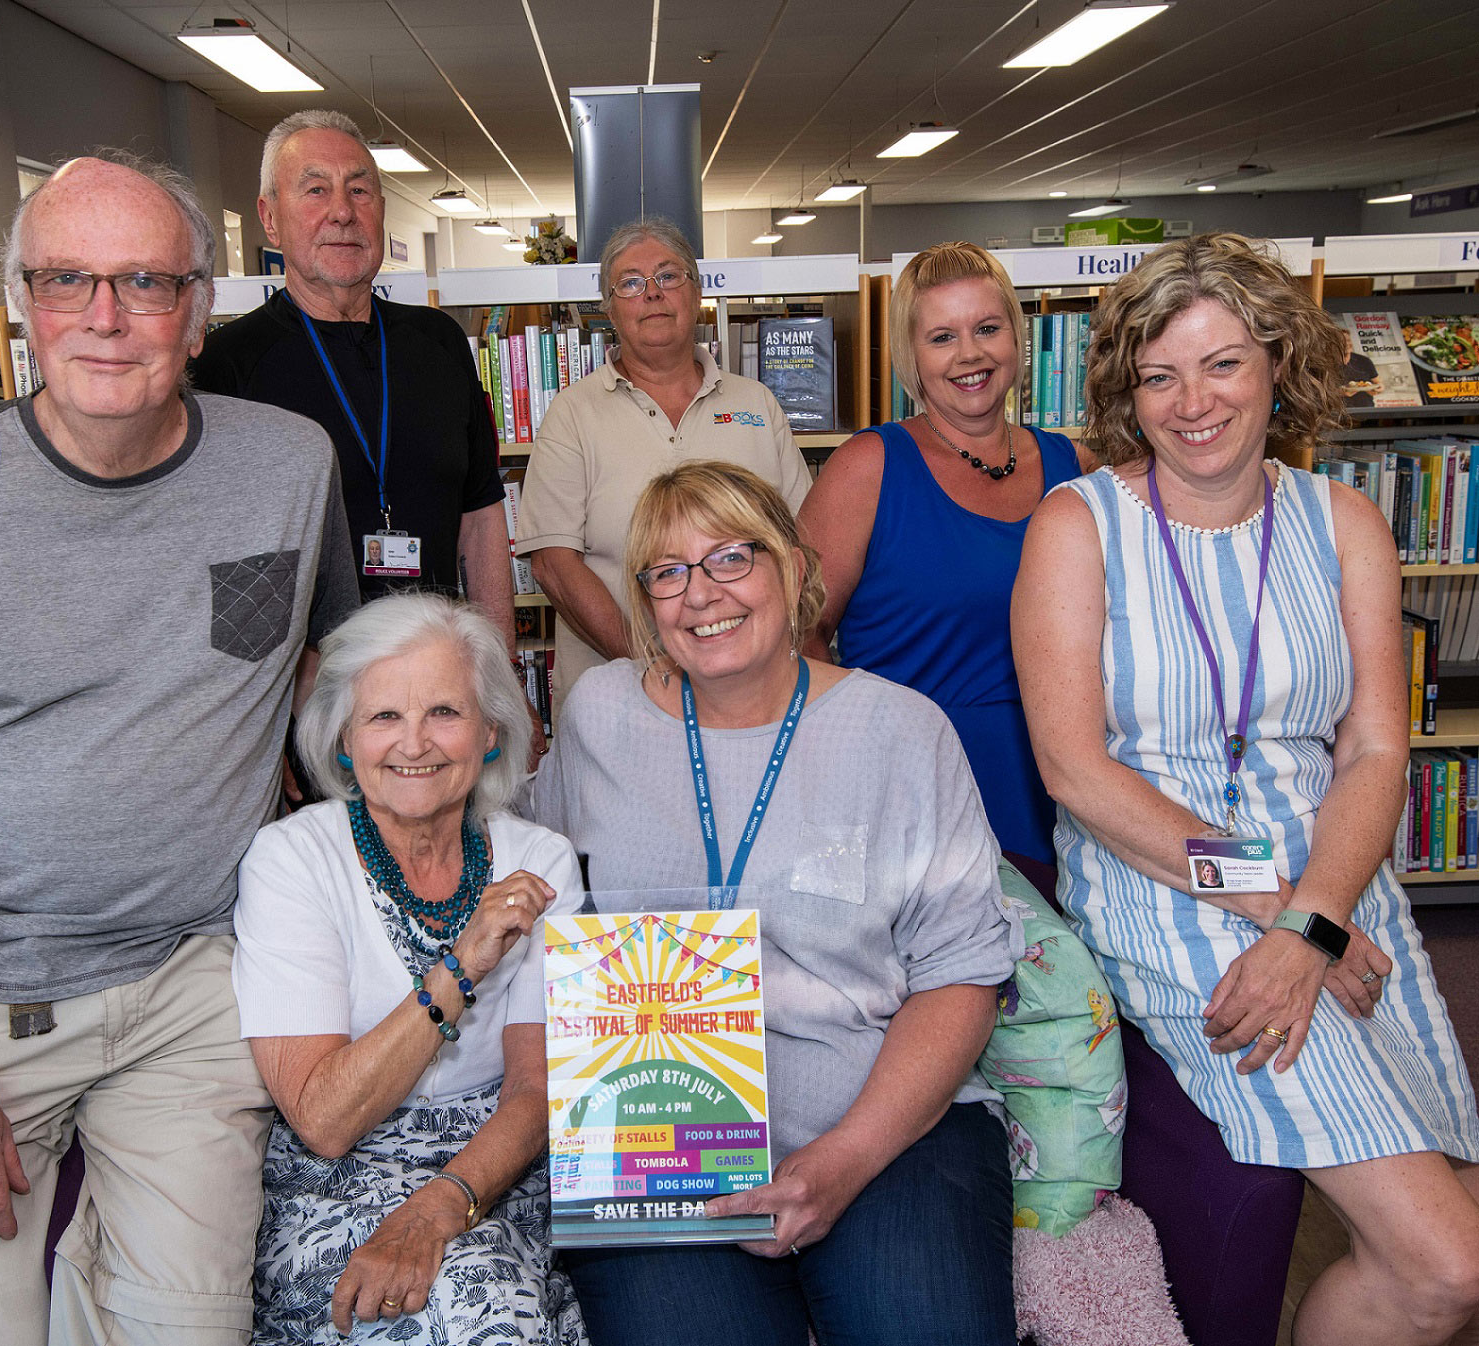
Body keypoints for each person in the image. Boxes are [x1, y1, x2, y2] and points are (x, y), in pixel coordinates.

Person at [0, 151, 359, 1345]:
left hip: (196, 979)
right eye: (67, 280)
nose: (105, 317)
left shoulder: (291, 465)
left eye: (146, 282)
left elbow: (332, 695)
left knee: (185, 1332)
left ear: (199, 313)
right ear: (22, 309)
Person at [1014, 232, 1479, 1346]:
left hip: (1337, 878)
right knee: (1448, 1267)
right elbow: (1077, 769)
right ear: (1127, 388)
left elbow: (1372, 749)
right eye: (1158, 373)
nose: (1191, 401)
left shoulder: (1342, 521)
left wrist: (1315, 909)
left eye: (1220, 363)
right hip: (1167, 890)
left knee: (1438, 1230)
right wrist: (1279, 913)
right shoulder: (1078, 526)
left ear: (1277, 360)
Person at [531, 460, 1020, 1346]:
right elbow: (533, 872)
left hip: (883, 1121)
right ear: (645, 604)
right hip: (657, 1131)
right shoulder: (598, 715)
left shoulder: (903, 730)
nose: (700, 593)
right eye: (667, 572)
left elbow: (962, 977)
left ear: (797, 568)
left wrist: (844, 1159)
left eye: (730, 557)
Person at [233, 593, 587, 1345]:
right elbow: (325, 1119)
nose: (415, 743)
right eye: (384, 717)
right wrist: (461, 966)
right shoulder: (293, 860)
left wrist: (442, 1204)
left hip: (494, 1169)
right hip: (338, 1178)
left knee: (488, 1313)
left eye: (445, 713)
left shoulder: (540, 860)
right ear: (342, 742)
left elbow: (538, 1088)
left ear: (491, 732)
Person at [799, 241, 1093, 867]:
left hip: (1069, 783)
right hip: (912, 787)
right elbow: (798, 629)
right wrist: (856, 760)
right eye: (942, 337)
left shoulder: (1077, 466)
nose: (970, 355)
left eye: (987, 328)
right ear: (911, 356)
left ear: (1017, 337)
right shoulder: (868, 467)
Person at [192, 110, 514, 648]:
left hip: (437, 672)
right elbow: (214, 562)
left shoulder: (439, 342)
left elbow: (480, 519)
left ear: (381, 212)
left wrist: (499, 677)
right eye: (315, 190)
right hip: (306, 694)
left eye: (360, 191)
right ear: (269, 218)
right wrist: (318, 699)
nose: (342, 212)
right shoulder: (225, 367)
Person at [516, 218, 811, 713]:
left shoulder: (756, 404)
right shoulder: (572, 414)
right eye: (631, 283)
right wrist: (654, 666)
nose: (652, 294)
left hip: (754, 692)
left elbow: (803, 542)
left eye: (668, 276)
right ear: (609, 309)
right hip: (618, 696)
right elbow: (554, 565)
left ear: (697, 294)